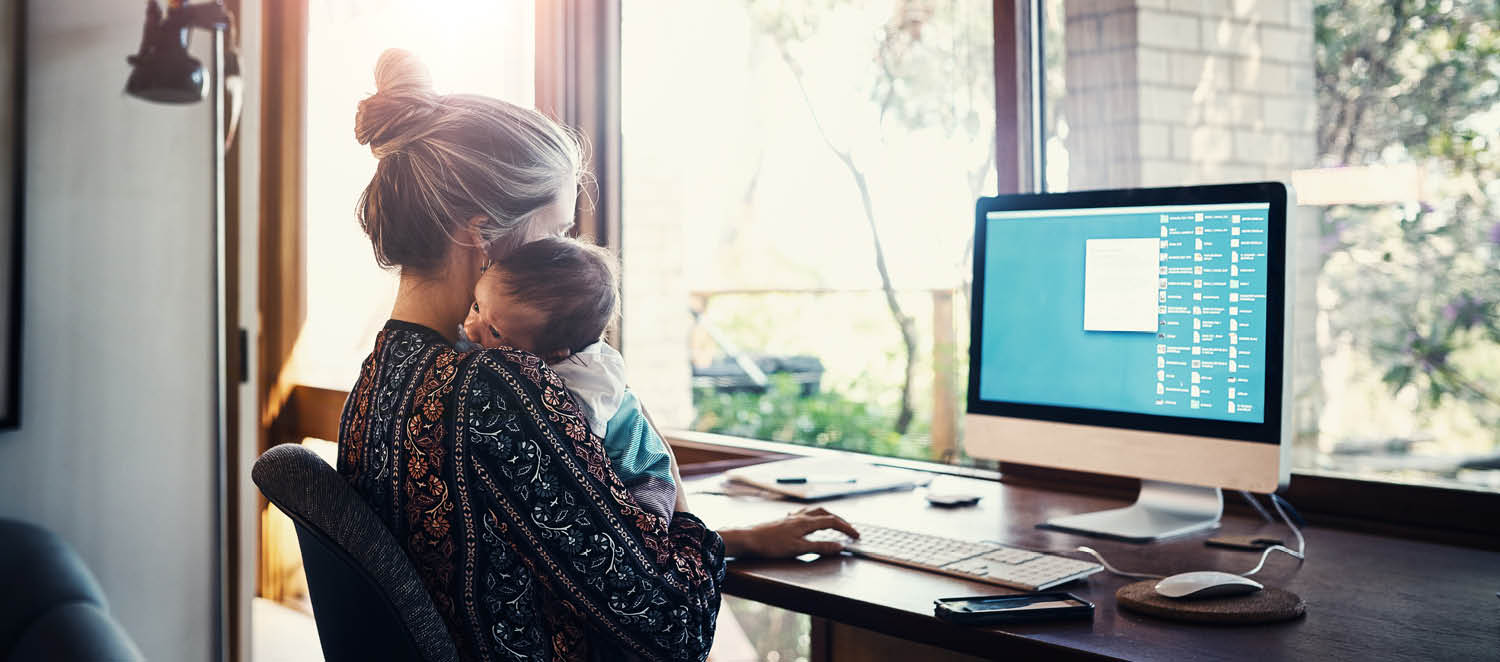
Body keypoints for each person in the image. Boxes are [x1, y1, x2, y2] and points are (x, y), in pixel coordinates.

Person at [336, 48, 859, 662]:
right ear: (479, 233)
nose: (563, 256)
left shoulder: (382, 376)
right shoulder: (497, 389)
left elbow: (555, 549)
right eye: (554, 233)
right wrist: (676, 497)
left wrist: (731, 541)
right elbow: (672, 628)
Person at [460, 236, 679, 522]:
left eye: (495, 332)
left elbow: (576, 441)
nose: (472, 329)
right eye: (476, 306)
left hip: (642, 474)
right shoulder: (515, 339)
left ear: (552, 356)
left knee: (648, 522)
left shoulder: (584, 383)